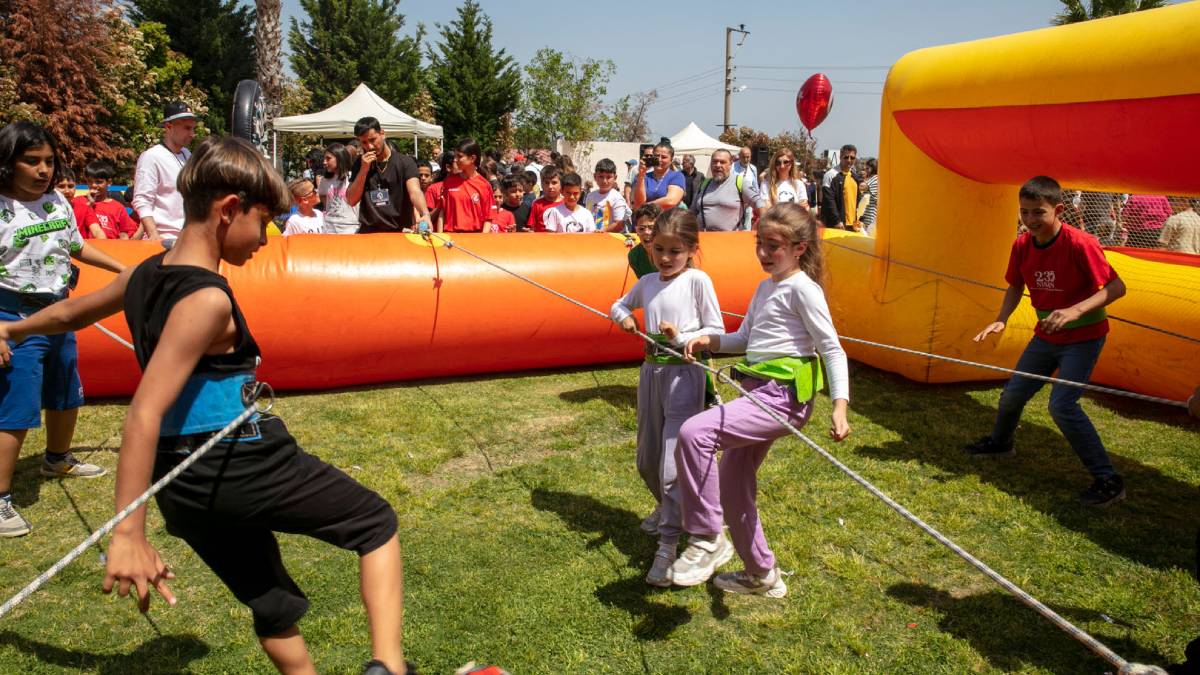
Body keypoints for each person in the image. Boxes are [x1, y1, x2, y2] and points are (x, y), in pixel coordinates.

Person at [0, 137, 409, 673]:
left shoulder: (145, 273)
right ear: (229, 209)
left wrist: (10, 326)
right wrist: (128, 533)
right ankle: (392, 666)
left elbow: (66, 315)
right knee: (375, 524)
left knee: (268, 599)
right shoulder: (207, 300)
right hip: (242, 462)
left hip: (185, 489)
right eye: (264, 222)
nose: (267, 239)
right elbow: (144, 411)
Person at [671, 202, 851, 595]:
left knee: (694, 434)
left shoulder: (803, 289)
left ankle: (706, 537)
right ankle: (762, 575)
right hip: (755, 392)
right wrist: (707, 340)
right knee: (734, 485)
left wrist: (840, 406)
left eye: (774, 246)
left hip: (782, 397)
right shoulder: (765, 287)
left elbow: (832, 349)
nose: (764, 254)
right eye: (760, 244)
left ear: (799, 248)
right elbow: (747, 340)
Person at [967, 176, 1128, 507]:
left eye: (1038, 213)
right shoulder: (1022, 245)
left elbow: (1117, 287)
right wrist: (1001, 318)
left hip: (1083, 338)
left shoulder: (1080, 243)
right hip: (1045, 336)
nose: (1029, 221)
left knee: (1062, 405)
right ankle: (1001, 443)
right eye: (1024, 213)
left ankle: (1108, 479)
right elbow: (1015, 285)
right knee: (1012, 395)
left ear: (1058, 210)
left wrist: (1074, 311)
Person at [0, 121, 127, 538]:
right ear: (7, 163)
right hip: (14, 319)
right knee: (15, 408)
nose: (43, 170)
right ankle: (0, 500)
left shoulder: (55, 202)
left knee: (65, 391)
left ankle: (58, 457)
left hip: (59, 311)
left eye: (49, 162)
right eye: (31, 161)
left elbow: (75, 245)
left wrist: (123, 269)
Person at [610, 209, 723, 587]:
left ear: (691, 249)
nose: (665, 258)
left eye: (675, 251)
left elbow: (716, 330)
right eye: (659, 249)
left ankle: (668, 546)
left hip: (686, 377)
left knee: (673, 467)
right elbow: (618, 304)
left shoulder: (697, 281)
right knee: (647, 460)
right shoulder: (647, 282)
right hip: (650, 374)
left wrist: (685, 337)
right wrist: (624, 317)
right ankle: (669, 509)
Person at [346, 116, 431, 234]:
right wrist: (363, 170)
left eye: (372, 140)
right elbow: (351, 200)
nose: (369, 146)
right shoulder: (360, 164)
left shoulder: (405, 162)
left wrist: (425, 214)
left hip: (398, 232)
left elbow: (415, 191)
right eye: (364, 142)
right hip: (369, 233)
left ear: (382, 133)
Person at [131, 101, 197, 241]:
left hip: (187, 238)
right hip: (164, 239)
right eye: (187, 128)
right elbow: (142, 200)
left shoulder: (187, 154)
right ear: (169, 127)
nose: (192, 134)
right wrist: (153, 234)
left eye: (193, 129)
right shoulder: (152, 156)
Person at [690, 149, 764, 231]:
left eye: (722, 162)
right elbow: (692, 212)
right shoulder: (704, 184)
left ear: (730, 164)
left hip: (730, 240)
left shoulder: (740, 182)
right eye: (714, 162)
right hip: (704, 239)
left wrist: (762, 225)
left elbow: (759, 203)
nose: (718, 165)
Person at [441, 138, 493, 233]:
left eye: (459, 156)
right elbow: (442, 212)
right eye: (455, 156)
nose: (455, 160)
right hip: (451, 239)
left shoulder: (484, 185)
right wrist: (441, 237)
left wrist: (482, 240)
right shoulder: (448, 182)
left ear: (472, 158)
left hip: (475, 239)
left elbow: (488, 218)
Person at [85, 161, 139, 239]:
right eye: (89, 181)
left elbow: (126, 232)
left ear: (109, 182)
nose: (93, 185)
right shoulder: (80, 202)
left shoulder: (118, 208)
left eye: (99, 182)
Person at [633, 142, 685, 211]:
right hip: (644, 220)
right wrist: (641, 175)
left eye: (664, 157)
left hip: (665, 220)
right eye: (656, 156)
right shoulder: (643, 177)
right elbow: (638, 203)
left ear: (671, 160)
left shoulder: (677, 176)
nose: (659, 159)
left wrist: (646, 207)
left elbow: (671, 201)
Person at [320, 143, 359, 235]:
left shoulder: (353, 178)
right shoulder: (325, 180)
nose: (324, 162)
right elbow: (322, 197)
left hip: (350, 227)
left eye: (328, 159)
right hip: (329, 227)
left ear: (340, 158)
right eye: (324, 159)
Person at [820, 145, 860, 231]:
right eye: (846, 157)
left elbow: (858, 200)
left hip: (852, 225)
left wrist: (859, 220)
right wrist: (837, 220)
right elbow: (828, 200)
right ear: (840, 157)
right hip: (837, 225)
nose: (849, 160)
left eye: (852, 158)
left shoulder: (855, 176)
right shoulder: (830, 175)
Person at [585, 159, 631, 233]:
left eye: (608, 177)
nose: (604, 181)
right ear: (595, 176)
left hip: (612, 239)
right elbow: (588, 217)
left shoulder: (617, 198)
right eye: (601, 176)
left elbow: (618, 224)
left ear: (615, 177)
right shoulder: (590, 196)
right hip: (594, 237)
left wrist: (601, 231)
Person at [59, 168, 102, 239]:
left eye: (70, 186)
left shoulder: (83, 206)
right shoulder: (45, 210)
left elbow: (97, 231)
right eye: (61, 186)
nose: (67, 191)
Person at [627, 204, 660, 278]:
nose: (646, 232)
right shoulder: (634, 256)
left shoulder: (671, 252)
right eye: (641, 229)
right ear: (636, 232)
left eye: (651, 228)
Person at [527, 165, 562, 232]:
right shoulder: (536, 204)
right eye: (546, 183)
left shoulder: (566, 203)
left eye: (554, 183)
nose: (550, 186)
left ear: (560, 184)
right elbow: (532, 228)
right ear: (542, 184)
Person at [732, 147, 761, 229]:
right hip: (736, 202)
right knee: (736, 225)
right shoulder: (732, 167)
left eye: (748, 157)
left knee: (747, 225)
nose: (746, 159)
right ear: (739, 156)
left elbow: (755, 186)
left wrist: (756, 200)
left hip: (748, 203)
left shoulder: (753, 168)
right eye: (743, 157)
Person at [860, 158, 879, 236]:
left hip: (870, 214)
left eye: (867, 168)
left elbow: (862, 187)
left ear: (873, 168)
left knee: (868, 235)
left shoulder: (874, 178)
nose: (865, 170)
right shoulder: (873, 178)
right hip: (868, 213)